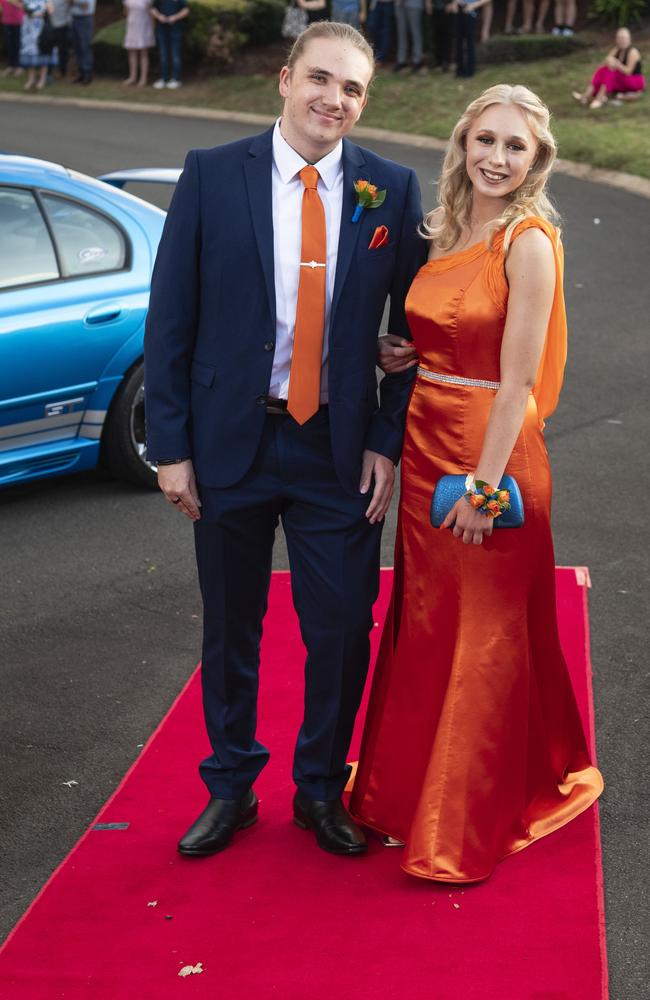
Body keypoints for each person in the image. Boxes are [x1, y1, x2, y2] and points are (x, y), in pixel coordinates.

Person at [144, 21, 424, 860]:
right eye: (321, 79)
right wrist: (171, 450)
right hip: (230, 442)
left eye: (353, 89)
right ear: (284, 78)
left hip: (336, 452)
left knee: (340, 627)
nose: (334, 100)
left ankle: (317, 788)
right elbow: (171, 321)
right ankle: (230, 786)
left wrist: (385, 438)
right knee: (232, 625)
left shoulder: (392, 189)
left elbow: (415, 334)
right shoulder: (211, 176)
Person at [349, 84, 604, 883]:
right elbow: (456, 335)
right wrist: (410, 354)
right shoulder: (452, 227)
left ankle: (461, 821)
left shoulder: (527, 240)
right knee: (430, 620)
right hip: (428, 436)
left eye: (514, 147)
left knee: (485, 632)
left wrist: (483, 492)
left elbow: (518, 378)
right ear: (463, 143)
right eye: (484, 140)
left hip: (488, 456)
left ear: (537, 160)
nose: (496, 157)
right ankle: (405, 794)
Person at [572, 26, 645, 109]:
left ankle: (599, 99)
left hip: (634, 80)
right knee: (602, 70)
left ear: (629, 39)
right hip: (622, 79)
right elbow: (604, 64)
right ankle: (587, 95)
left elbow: (628, 71)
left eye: (624, 38)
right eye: (620, 38)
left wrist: (617, 64)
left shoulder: (633, 52)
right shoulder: (617, 50)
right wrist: (609, 62)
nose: (622, 41)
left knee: (611, 72)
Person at [150, 0, 187, 89]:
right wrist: (159, 16)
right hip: (162, 29)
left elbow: (185, 10)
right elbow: (153, 9)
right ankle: (164, 78)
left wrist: (175, 17)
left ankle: (175, 79)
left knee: (175, 55)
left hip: (176, 29)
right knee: (163, 55)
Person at [19, 0, 55, 90]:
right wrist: (26, 10)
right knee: (30, 53)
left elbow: (51, 11)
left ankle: (42, 79)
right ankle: (31, 79)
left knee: (43, 52)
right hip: (28, 30)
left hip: (41, 29)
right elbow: (22, 7)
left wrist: (38, 14)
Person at [122, 0, 154, 86]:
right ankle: (132, 77)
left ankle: (143, 78)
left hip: (143, 26)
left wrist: (152, 28)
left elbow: (151, 12)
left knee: (143, 52)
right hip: (132, 26)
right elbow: (126, 12)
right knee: (132, 52)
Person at [393, 0, 425, 74]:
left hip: (414, 4)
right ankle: (401, 61)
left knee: (415, 32)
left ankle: (417, 60)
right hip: (399, 5)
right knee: (401, 33)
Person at [70, 0, 95, 84]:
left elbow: (85, 5)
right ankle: (81, 73)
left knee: (85, 46)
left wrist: (74, 2)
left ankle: (88, 74)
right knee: (77, 47)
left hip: (85, 18)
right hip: (74, 18)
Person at [426, 0, 454, 72]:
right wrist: (428, 3)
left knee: (447, 36)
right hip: (435, 7)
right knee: (436, 35)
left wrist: (452, 3)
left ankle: (446, 61)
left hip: (447, 7)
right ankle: (438, 60)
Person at [1, 0, 24, 78]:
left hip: (17, 21)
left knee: (17, 44)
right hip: (6, 21)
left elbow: (23, 6)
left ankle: (18, 66)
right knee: (9, 44)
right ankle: (10, 66)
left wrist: (11, 2)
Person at [50, 0, 70, 78]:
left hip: (63, 26)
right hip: (51, 24)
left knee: (62, 50)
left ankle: (62, 71)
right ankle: (49, 71)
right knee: (49, 48)